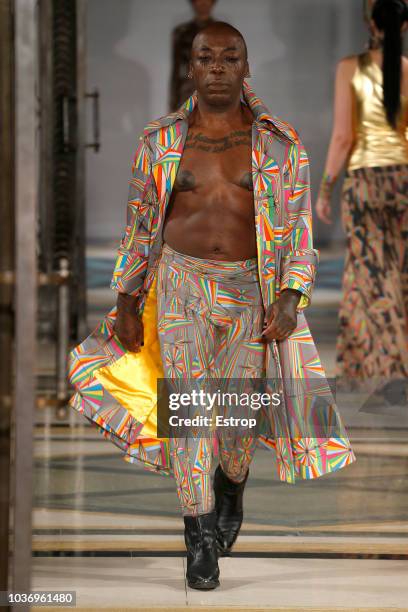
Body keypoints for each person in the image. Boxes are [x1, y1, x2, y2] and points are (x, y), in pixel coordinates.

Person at [69, 22, 356, 591]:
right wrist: (127, 299)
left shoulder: (279, 142)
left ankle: (232, 482)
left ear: (246, 67)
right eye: (207, 57)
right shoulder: (161, 140)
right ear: (191, 68)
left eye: (230, 57)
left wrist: (292, 294)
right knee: (192, 413)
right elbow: (142, 223)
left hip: (251, 289)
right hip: (181, 284)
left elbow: (297, 229)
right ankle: (198, 533)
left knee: (237, 423)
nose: (219, 66)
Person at [315, 0, 408, 391]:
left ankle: (391, 373)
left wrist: (325, 188)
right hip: (403, 182)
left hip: (364, 184)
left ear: (369, 21)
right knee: (394, 276)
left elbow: (343, 137)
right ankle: (364, 371)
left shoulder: (349, 68)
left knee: (370, 276)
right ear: (403, 27)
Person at [169, 0, 217, 111]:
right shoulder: (181, 32)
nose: (203, 3)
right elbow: (176, 70)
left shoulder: (223, 32)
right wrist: (173, 102)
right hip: (187, 91)